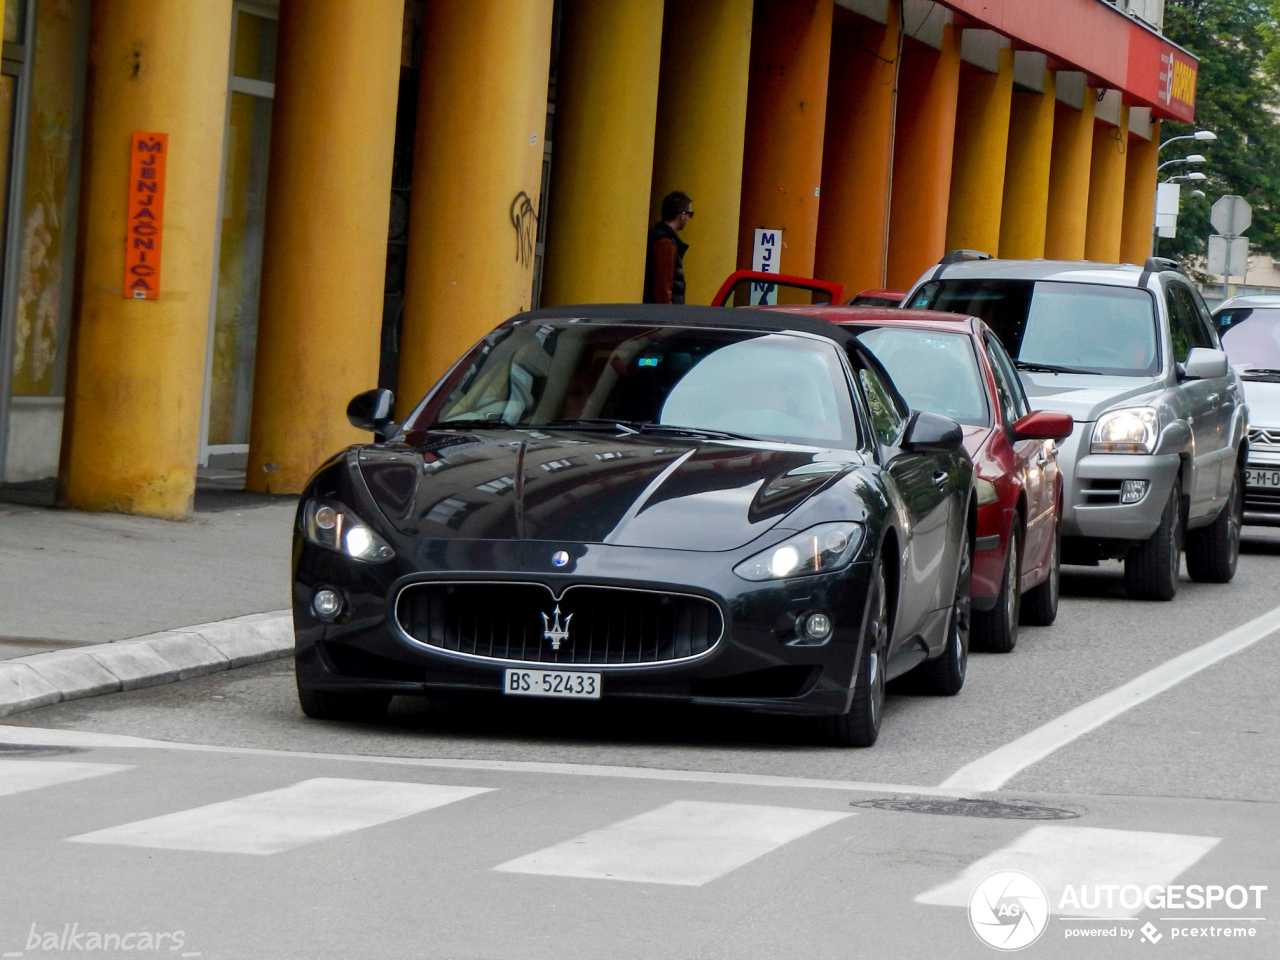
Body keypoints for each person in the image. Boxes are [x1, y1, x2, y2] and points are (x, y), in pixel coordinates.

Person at [643, 191, 693, 304]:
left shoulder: (659, 237)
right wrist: (668, 315)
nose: (688, 218)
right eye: (690, 214)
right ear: (682, 215)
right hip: (664, 316)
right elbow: (663, 287)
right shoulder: (665, 243)